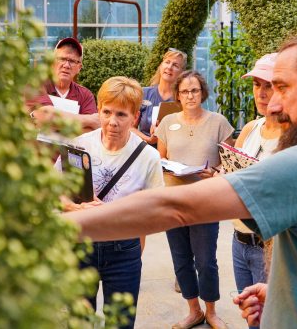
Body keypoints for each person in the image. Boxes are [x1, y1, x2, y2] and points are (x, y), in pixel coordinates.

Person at [64, 29, 297, 329]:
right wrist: (289, 296)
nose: (274, 105)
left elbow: (174, 208)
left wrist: (55, 228)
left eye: (282, 87)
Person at [61, 76, 164, 329]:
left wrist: (111, 214)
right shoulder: (79, 145)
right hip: (81, 246)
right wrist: (77, 208)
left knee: (121, 323)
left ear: (135, 117)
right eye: (106, 112)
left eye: (121, 114)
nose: (112, 122)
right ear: (98, 110)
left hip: (123, 252)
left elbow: (156, 214)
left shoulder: (148, 157)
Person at [155, 70, 234, 329]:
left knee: (206, 261)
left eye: (195, 90)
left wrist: (215, 172)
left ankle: (211, 311)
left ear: (203, 93)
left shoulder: (218, 122)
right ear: (177, 94)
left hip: (205, 201)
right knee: (181, 258)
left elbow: (230, 164)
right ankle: (193, 310)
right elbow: (161, 160)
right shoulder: (167, 123)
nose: (190, 95)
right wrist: (170, 167)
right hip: (174, 201)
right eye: (185, 91)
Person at [230, 53, 281, 329]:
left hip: (269, 246)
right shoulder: (250, 128)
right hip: (239, 241)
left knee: (273, 320)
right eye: (256, 85)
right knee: (252, 319)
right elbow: (231, 174)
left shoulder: (293, 136)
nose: (261, 93)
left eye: (268, 85)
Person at [27, 37, 100, 132]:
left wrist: (54, 123)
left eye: (72, 61)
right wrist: (88, 120)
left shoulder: (86, 95)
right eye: (62, 59)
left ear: (79, 67)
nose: (66, 65)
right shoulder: (35, 85)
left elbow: (90, 131)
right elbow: (46, 116)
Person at [133, 48, 187, 145]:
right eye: (167, 62)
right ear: (161, 66)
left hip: (171, 152)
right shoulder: (143, 93)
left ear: (181, 72)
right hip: (144, 150)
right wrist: (148, 139)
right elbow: (129, 127)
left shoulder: (183, 99)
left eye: (175, 65)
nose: (169, 67)